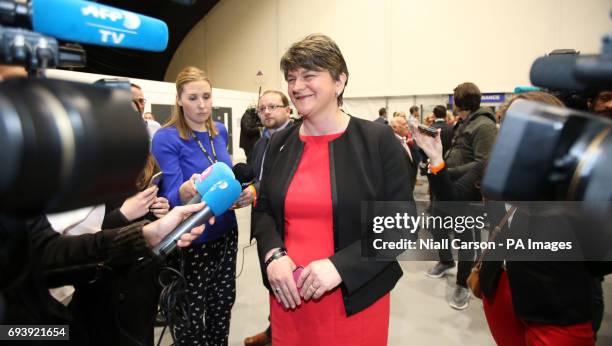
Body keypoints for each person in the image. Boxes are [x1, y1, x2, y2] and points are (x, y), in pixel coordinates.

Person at [252, 34, 415, 345]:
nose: (297, 86)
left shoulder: (377, 142)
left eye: (309, 75)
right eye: (291, 78)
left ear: (339, 82)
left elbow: (401, 225)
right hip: (289, 299)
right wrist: (273, 255)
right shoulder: (279, 143)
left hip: (353, 301)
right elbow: (264, 211)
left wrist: (340, 266)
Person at [414, 91, 604, 346]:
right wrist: (435, 158)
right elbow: (454, 196)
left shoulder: (576, 176)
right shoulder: (494, 167)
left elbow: (600, 257)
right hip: (500, 289)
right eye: (507, 123)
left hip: (555, 307)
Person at [151, 66, 253, 345]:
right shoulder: (166, 137)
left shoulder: (219, 131)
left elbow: (226, 177)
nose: (202, 105)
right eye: (193, 98)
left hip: (225, 233)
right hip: (191, 238)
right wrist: (185, 191)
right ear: (179, 100)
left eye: (207, 96)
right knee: (190, 317)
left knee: (221, 307)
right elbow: (168, 196)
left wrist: (241, 193)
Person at [425, 82, 497, 310]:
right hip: (447, 188)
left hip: (466, 193)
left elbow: (482, 163)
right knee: (437, 226)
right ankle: (446, 261)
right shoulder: (464, 122)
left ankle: (463, 283)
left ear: (458, 101)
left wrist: (448, 169)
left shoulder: (484, 125)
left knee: (468, 239)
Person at [244, 90, 292, 346]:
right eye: (262, 108)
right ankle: (275, 330)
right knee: (270, 279)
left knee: (289, 281)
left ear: (288, 109)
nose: (267, 112)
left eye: (273, 106)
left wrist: (256, 188)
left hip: (288, 222)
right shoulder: (261, 142)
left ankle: (282, 335)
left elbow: (281, 183)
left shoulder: (297, 139)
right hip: (264, 222)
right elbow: (254, 173)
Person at [389, 116, 418, 192]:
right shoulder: (392, 143)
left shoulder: (402, 140)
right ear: (395, 128)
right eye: (404, 124)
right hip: (401, 188)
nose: (407, 126)